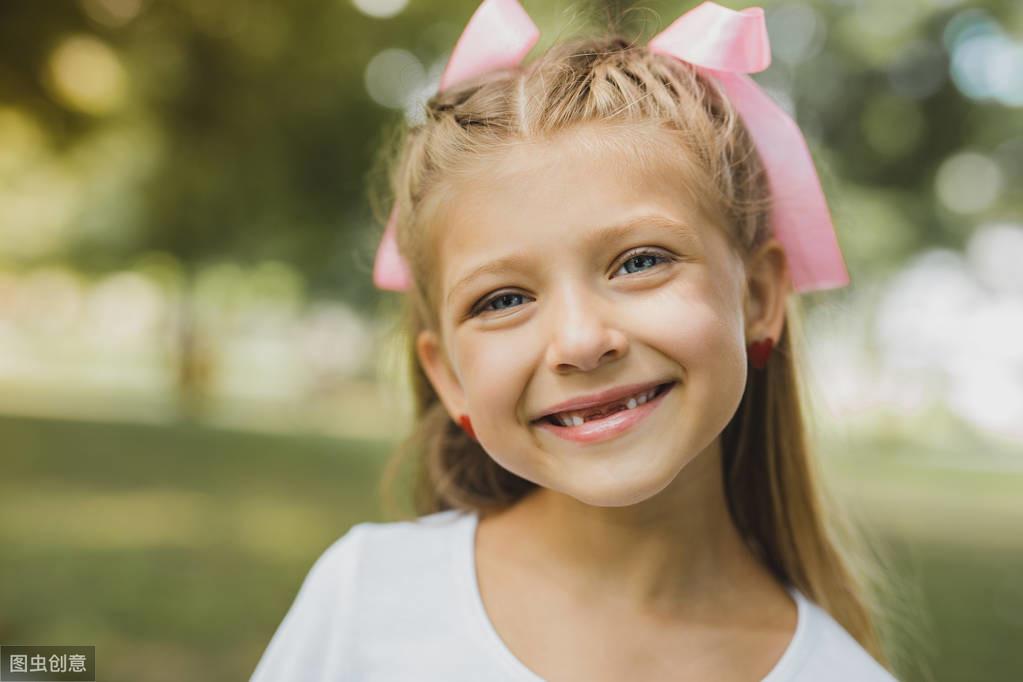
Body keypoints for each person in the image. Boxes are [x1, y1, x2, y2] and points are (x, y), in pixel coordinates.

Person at [250, 1, 903, 680]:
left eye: (640, 261)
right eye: (502, 300)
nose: (581, 341)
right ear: (449, 377)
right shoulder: (367, 600)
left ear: (758, 297)